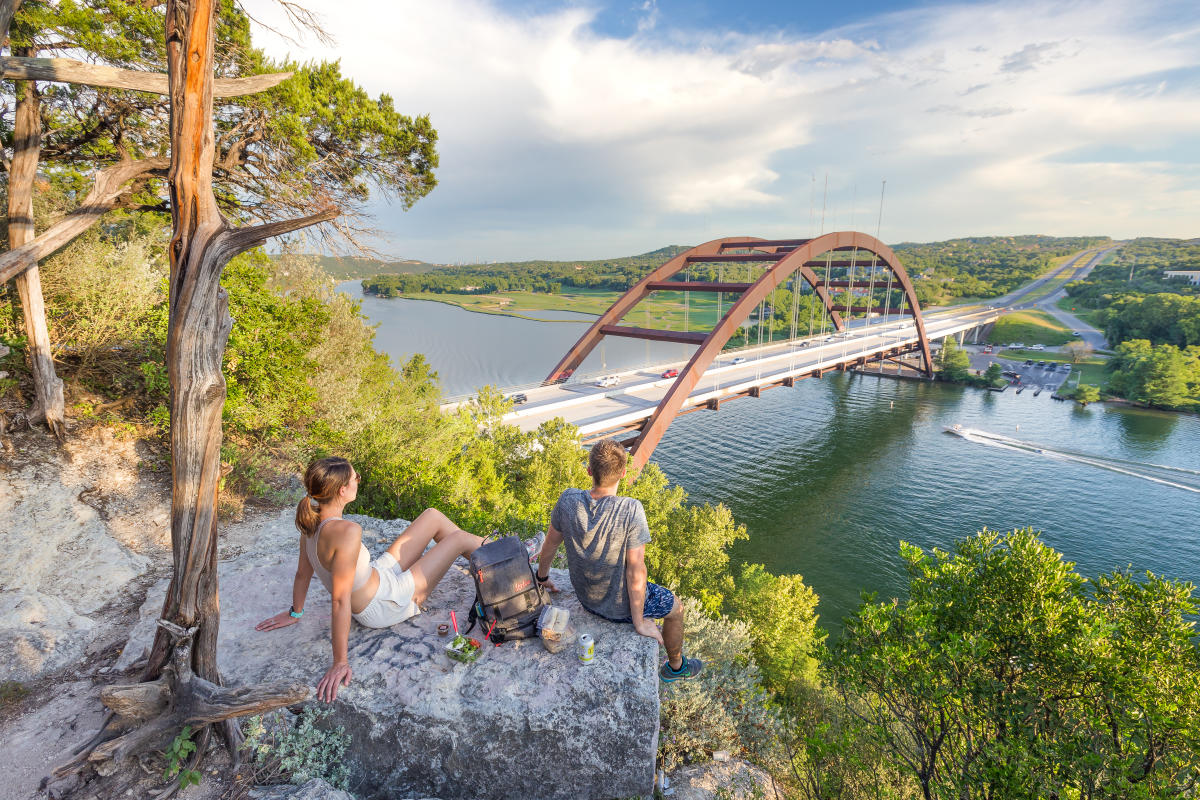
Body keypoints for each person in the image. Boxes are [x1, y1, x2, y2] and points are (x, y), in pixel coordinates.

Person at [255, 456, 485, 702]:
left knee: (433, 516)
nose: (358, 481)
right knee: (459, 539)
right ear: (342, 490)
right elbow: (340, 600)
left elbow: (303, 574)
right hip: (385, 603)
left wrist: (295, 612)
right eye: (356, 477)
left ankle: (498, 555)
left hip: (378, 575)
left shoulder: (311, 524)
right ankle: (505, 559)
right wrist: (340, 662)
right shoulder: (347, 532)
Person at [535, 439, 703, 682]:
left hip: (586, 599)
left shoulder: (568, 500)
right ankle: (676, 667)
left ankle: (674, 664)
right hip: (618, 609)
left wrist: (542, 577)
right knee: (676, 608)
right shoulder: (631, 509)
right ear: (623, 473)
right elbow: (636, 570)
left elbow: (550, 544)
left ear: (589, 471)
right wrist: (639, 622)